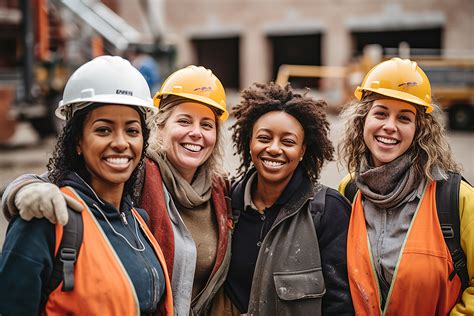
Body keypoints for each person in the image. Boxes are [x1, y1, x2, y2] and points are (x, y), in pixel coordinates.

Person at [1, 65, 232, 315]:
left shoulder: (135, 219)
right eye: (103, 130)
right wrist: (23, 190)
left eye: (131, 131)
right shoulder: (51, 217)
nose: (121, 143)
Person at [338, 57, 473, 315]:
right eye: (380, 113)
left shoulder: (454, 198)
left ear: (419, 129)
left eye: (404, 117)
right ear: (362, 120)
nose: (390, 127)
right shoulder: (349, 191)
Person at [220, 82, 354, 315]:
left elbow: (340, 304)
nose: (274, 148)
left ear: (303, 151)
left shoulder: (328, 211)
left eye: (288, 142)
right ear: (249, 142)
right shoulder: (227, 201)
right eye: (264, 138)